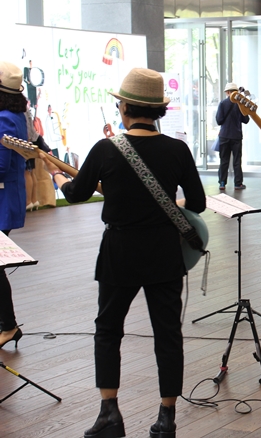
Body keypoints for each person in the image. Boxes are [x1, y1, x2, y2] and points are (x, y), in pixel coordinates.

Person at [44, 68, 206, 438]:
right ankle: (167, 418)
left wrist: (57, 176)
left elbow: (77, 193)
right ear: (158, 110)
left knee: (108, 330)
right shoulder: (177, 150)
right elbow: (197, 202)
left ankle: (110, 415)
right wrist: (167, 207)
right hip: (164, 251)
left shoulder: (106, 149)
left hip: (119, 252)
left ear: (124, 107)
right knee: (168, 333)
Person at [0, 61, 28, 350]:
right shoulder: (16, 115)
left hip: (3, 201)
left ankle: (8, 326)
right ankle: (7, 325)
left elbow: (0, 165)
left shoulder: (4, 119)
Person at [216, 81, 250, 191]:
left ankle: (222, 183)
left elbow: (219, 121)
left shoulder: (222, 103)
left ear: (227, 92)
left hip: (224, 136)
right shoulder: (241, 105)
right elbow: (246, 120)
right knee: (237, 161)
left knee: (224, 160)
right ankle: (238, 184)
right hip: (236, 136)